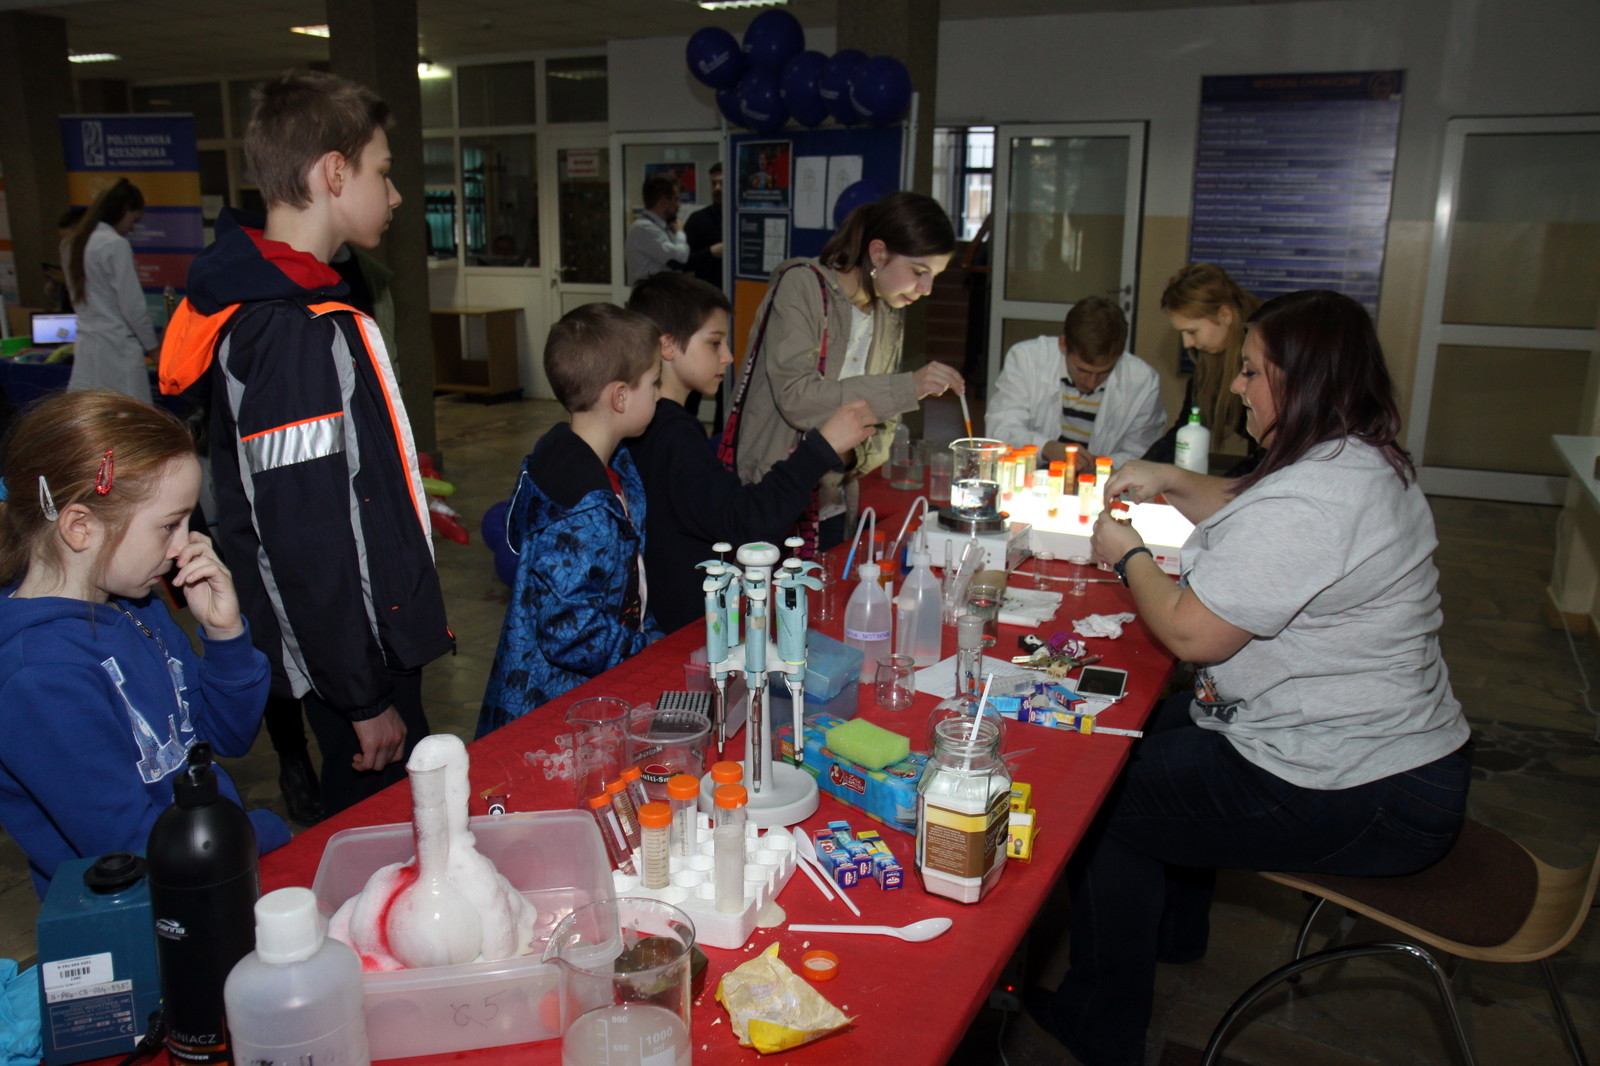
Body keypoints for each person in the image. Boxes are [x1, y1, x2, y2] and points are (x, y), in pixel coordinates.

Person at [1033, 290, 1472, 1066]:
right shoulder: (1351, 456)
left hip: (1365, 788)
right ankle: (1173, 933)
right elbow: (1246, 504)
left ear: (1302, 382)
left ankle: (1102, 1026)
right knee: (1136, 732)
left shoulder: (1320, 500)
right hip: (1388, 755)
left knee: (1101, 803)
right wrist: (1170, 479)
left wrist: (1128, 555)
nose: (1237, 388)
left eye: (1252, 373)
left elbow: (1188, 631)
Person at [158, 70, 452, 816]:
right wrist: (361, 697)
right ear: (334, 172)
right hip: (353, 660)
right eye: (383, 173)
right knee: (383, 834)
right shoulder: (287, 331)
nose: (395, 195)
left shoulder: (304, 304)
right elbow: (303, 535)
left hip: (368, 637)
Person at [0, 390, 291, 895]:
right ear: (80, 527)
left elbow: (226, 737)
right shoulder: (39, 676)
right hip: (143, 913)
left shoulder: (136, 608)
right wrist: (261, 831)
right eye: (169, 526)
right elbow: (128, 846)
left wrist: (224, 635)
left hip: (209, 867)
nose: (185, 546)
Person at [625, 272, 876, 633]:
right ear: (667, 346)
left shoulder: (656, 425)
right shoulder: (672, 434)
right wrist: (820, 449)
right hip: (683, 627)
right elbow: (746, 523)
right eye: (714, 343)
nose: (728, 356)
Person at [723, 191, 966, 547]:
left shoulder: (888, 315)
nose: (926, 289)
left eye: (935, 276)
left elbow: (884, 425)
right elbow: (797, 397)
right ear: (878, 252)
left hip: (833, 501)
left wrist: (850, 456)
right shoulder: (802, 285)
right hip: (770, 494)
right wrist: (906, 388)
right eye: (919, 272)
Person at [478, 304, 665, 735]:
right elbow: (568, 630)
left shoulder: (611, 466)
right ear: (620, 397)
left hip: (598, 687)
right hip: (557, 706)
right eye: (654, 383)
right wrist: (645, 650)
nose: (658, 394)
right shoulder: (581, 507)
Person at [985, 295, 1165, 474]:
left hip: (1102, 482)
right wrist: (1046, 448)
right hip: (1030, 477)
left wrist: (1097, 464)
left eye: (1104, 372)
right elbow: (1001, 428)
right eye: (1083, 370)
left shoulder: (1143, 381)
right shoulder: (1026, 359)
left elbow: (1142, 452)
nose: (1092, 383)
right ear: (1063, 345)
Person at [1142, 262, 1263, 475]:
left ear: (1225, 315)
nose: (1187, 343)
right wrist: (1143, 468)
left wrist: (1220, 488)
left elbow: (1274, 456)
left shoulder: (1269, 357)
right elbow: (1185, 428)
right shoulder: (1208, 364)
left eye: (1192, 332)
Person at [62, 180, 160, 403]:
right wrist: (153, 348)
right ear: (125, 209)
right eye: (134, 220)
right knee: (130, 416)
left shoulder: (71, 244)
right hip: (118, 348)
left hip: (87, 348)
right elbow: (132, 305)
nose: (132, 228)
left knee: (90, 413)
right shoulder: (115, 244)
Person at [625, 174, 689, 284]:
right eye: (676, 199)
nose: (679, 204)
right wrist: (680, 232)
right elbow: (679, 261)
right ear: (663, 201)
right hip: (650, 294)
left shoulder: (663, 227)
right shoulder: (644, 229)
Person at [683, 162, 725, 290]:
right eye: (713, 184)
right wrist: (710, 253)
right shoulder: (698, 219)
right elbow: (684, 262)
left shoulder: (745, 221)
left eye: (722, 183)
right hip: (707, 292)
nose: (717, 188)